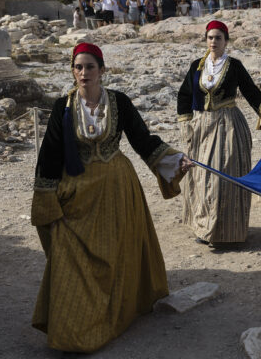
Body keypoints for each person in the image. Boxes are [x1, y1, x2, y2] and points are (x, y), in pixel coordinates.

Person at [31, 43, 191, 353]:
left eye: (90, 67)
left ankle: (116, 312)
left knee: (117, 255)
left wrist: (174, 160)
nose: (83, 72)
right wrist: (47, 199)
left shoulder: (119, 102)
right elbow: (49, 154)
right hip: (77, 194)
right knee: (69, 260)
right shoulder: (62, 107)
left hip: (118, 189)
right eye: (78, 67)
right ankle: (73, 332)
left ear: (102, 70)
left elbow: (143, 141)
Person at [177, 20, 261, 247]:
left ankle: (227, 232)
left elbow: (251, 92)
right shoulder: (196, 66)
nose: (213, 41)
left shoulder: (235, 66)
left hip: (228, 125)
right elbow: (184, 95)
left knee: (223, 177)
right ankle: (204, 228)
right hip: (202, 126)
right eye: (210, 37)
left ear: (226, 41)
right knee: (202, 177)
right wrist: (186, 122)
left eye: (218, 38)